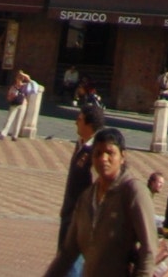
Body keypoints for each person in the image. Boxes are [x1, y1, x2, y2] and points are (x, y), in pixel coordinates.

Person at [43, 125, 154, 277]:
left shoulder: (133, 192)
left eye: (110, 153)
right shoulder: (87, 198)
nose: (103, 158)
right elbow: (68, 253)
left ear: (122, 157)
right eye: (98, 153)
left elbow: (149, 250)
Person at [58, 99, 103, 253]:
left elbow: (101, 188)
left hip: (82, 221)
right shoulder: (80, 144)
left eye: (79, 119)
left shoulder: (97, 151)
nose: (76, 122)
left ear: (89, 124)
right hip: (68, 215)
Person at [2, 67, 37, 140]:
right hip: (14, 103)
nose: (19, 79)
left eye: (21, 78)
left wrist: (28, 78)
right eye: (18, 77)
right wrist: (11, 97)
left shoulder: (26, 86)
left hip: (22, 104)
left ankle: (15, 135)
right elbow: (8, 96)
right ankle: (3, 133)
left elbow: (34, 89)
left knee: (19, 120)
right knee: (9, 119)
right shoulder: (13, 86)